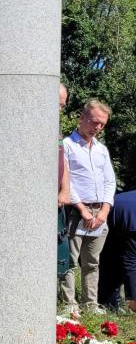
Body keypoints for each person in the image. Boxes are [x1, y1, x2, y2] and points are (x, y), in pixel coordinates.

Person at [61, 99, 115, 314]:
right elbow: (65, 180)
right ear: (81, 117)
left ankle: (90, 304)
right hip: (76, 212)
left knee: (92, 262)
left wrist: (104, 210)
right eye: (94, 122)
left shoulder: (102, 150)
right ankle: (70, 305)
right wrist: (82, 209)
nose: (97, 127)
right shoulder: (67, 145)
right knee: (71, 261)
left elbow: (110, 181)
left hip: (99, 212)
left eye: (102, 124)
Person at [98, 190, 136, 311]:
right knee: (115, 257)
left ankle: (109, 302)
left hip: (115, 207)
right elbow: (131, 259)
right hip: (124, 214)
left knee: (111, 257)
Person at [57, 85, 72, 282]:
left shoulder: (56, 126)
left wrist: (65, 189)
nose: (62, 109)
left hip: (58, 200)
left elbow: (62, 159)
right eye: (59, 105)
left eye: (63, 105)